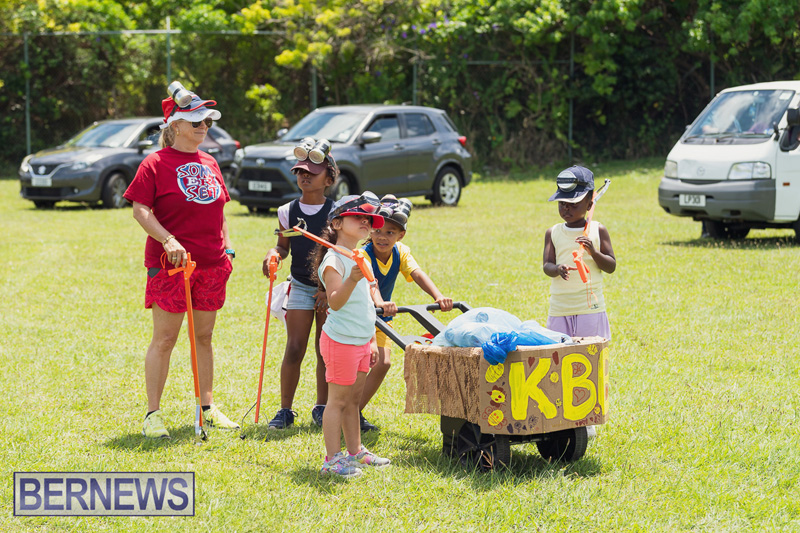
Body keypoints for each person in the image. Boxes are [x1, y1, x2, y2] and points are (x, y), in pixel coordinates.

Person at [124, 85, 239, 439]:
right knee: (165, 339)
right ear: (174, 126)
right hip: (171, 265)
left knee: (203, 337)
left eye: (206, 120)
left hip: (211, 264)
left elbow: (219, 211)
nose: (203, 125)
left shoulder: (211, 162)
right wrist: (167, 239)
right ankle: (153, 415)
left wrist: (228, 249)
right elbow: (140, 209)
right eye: (195, 121)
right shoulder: (155, 163)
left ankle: (207, 407)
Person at [311, 194, 392, 478]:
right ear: (336, 223)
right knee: (338, 401)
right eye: (358, 217)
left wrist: (370, 340)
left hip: (360, 340)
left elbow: (367, 304)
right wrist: (353, 278)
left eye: (368, 220)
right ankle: (332, 459)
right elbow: (334, 301)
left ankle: (356, 450)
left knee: (354, 401)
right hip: (340, 341)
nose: (366, 222)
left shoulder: (361, 256)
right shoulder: (333, 260)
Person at [357, 194, 453, 431]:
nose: (382, 237)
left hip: (380, 318)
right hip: (358, 315)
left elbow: (417, 273)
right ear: (370, 231)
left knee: (383, 362)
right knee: (358, 366)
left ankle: (353, 411)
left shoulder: (401, 251)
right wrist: (380, 302)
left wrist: (438, 296)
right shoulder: (364, 254)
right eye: (378, 230)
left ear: (400, 235)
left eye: (390, 233)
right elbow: (371, 284)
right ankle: (343, 409)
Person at [262, 138, 336, 430]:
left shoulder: (335, 212)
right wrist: (273, 255)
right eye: (299, 172)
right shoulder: (287, 211)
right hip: (301, 286)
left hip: (330, 288)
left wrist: (327, 291)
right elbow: (283, 247)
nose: (304, 176)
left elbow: (338, 252)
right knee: (294, 347)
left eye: (312, 172)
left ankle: (322, 406)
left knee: (324, 348)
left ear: (328, 178)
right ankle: (285, 410)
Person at [542, 165, 616, 340]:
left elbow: (611, 266)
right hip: (560, 308)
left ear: (589, 204)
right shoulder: (553, 232)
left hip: (589, 308)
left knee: (589, 357)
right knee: (558, 358)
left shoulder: (598, 230)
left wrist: (593, 252)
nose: (566, 209)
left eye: (573, 204)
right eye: (562, 204)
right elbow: (547, 265)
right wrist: (557, 268)